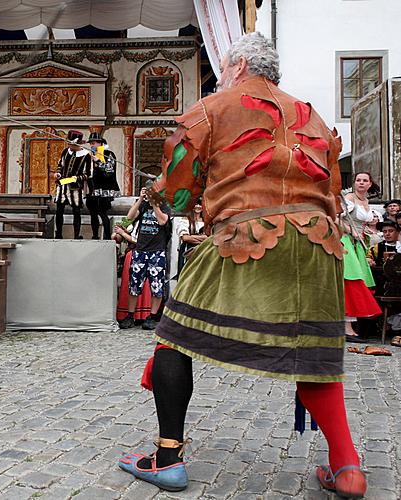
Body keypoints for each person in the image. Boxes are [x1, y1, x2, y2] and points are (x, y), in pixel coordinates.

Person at [118, 33, 367, 498]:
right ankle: (347, 466)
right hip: (320, 243)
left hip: (246, 235)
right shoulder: (312, 114)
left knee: (173, 337)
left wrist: (162, 195)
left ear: (237, 67)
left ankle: (168, 458)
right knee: (313, 354)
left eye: (224, 70)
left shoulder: (213, 107)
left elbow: (175, 194)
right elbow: (333, 192)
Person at [117, 186, 171, 331]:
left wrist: (154, 204)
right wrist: (140, 199)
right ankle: (130, 315)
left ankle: (152, 317)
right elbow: (128, 218)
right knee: (134, 285)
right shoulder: (142, 205)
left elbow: (162, 221)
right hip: (140, 250)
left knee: (157, 286)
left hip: (157, 251)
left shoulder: (165, 205)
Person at [340, 172, 382, 339]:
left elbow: (362, 222)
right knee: (351, 281)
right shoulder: (348, 198)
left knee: (359, 281)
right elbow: (336, 220)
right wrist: (352, 232)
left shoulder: (365, 201)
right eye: (358, 180)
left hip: (358, 243)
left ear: (370, 184)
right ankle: (346, 327)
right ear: (354, 183)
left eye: (365, 181)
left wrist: (363, 232)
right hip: (345, 241)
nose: (361, 183)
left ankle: (348, 326)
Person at [54, 130, 90, 239]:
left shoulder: (86, 156)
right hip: (63, 184)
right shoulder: (66, 151)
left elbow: (87, 174)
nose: (69, 146)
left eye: (71, 144)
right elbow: (60, 165)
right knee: (59, 210)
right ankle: (58, 234)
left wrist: (77, 178)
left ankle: (76, 235)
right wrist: (58, 173)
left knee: (76, 211)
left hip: (75, 188)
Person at [85, 132, 121, 240]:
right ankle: (95, 235)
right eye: (90, 143)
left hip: (105, 189)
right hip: (93, 189)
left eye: (93, 143)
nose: (91, 145)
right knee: (92, 212)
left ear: (100, 143)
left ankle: (106, 236)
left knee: (102, 212)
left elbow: (109, 171)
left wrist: (99, 161)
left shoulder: (108, 154)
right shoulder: (91, 155)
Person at [173, 200, 206, 278]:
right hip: (188, 251)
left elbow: (209, 237)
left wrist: (191, 236)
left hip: (203, 251)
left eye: (200, 204)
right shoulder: (185, 219)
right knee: (186, 274)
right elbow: (185, 238)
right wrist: (202, 238)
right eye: (196, 204)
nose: (198, 207)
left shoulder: (206, 221)